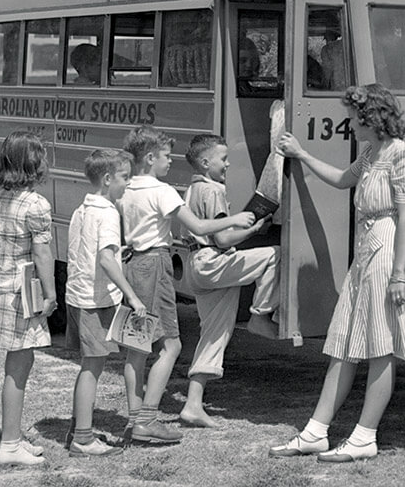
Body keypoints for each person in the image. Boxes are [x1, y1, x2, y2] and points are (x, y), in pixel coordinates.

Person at [271, 83, 405, 463]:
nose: (350, 125)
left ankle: (364, 437)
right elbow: (342, 179)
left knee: (381, 346)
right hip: (366, 251)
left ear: (370, 117)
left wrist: (400, 274)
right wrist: (302, 155)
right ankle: (315, 432)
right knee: (344, 343)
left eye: (354, 118)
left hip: (390, 251)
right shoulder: (371, 152)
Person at [119, 125, 254, 444]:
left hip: (132, 265)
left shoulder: (125, 189)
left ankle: (134, 419)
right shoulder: (161, 191)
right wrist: (235, 220)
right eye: (166, 156)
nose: (171, 162)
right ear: (150, 158)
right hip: (155, 266)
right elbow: (199, 225)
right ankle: (148, 420)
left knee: (136, 351)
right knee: (171, 345)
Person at [177, 134, 280, 429]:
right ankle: (260, 316)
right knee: (276, 255)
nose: (228, 164)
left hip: (198, 264)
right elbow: (223, 239)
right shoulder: (213, 191)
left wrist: (254, 229)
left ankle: (192, 405)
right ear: (205, 162)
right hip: (213, 261)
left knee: (213, 336)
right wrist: (252, 230)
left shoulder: (193, 189)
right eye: (223, 159)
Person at [64, 149, 148, 457]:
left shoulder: (81, 210)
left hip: (77, 294)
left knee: (89, 366)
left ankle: (77, 429)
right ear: (108, 179)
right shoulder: (109, 212)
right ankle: (83, 439)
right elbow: (106, 260)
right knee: (92, 367)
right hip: (95, 301)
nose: (128, 183)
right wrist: (133, 295)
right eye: (125, 177)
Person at [0, 130, 58, 466]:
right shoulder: (37, 204)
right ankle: (9, 442)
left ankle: (13, 436)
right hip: (24, 291)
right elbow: (43, 253)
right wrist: (51, 293)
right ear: (35, 164)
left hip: (1, 283)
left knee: (19, 363)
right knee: (18, 366)